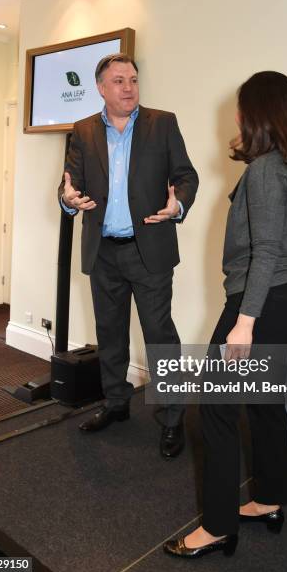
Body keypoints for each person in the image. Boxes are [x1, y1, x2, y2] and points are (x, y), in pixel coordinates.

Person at [164, 71, 287, 557]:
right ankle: (271, 498)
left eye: (241, 108)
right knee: (264, 401)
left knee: (213, 410)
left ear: (254, 115)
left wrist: (245, 321)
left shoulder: (264, 172)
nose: (235, 116)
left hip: (263, 301)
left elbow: (268, 252)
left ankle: (216, 527)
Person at [58, 53, 198, 458]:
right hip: (103, 251)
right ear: (101, 88)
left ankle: (173, 419)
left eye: (133, 79)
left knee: (159, 336)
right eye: (118, 80)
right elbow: (68, 185)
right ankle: (116, 404)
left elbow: (187, 176)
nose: (128, 87)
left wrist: (179, 204)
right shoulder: (83, 131)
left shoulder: (163, 123)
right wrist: (67, 200)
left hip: (148, 249)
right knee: (111, 334)